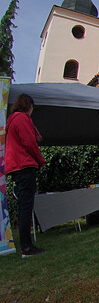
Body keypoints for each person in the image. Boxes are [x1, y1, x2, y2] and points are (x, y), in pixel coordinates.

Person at [5, 94, 45, 257]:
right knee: (26, 207)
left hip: (16, 166)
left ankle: (27, 245)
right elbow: (29, 143)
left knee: (24, 207)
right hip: (24, 165)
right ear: (28, 106)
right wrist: (40, 160)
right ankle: (27, 248)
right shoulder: (22, 119)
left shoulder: (11, 121)